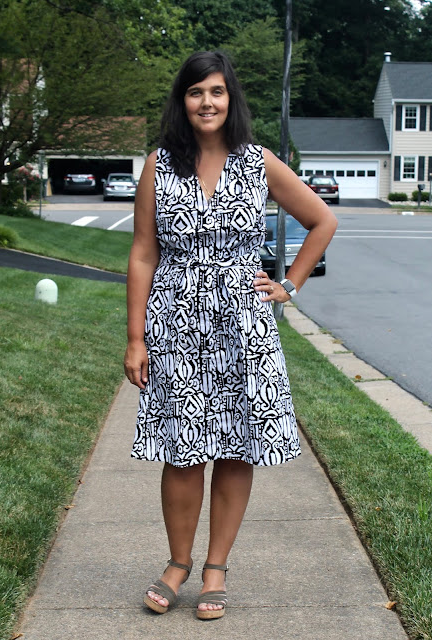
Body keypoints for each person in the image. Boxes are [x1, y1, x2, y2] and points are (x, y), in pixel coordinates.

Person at [124, 50, 337, 620]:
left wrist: (289, 286)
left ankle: (216, 565)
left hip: (243, 324)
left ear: (230, 98)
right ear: (183, 101)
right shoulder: (157, 165)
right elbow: (143, 253)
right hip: (175, 324)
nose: (207, 102)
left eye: (216, 91)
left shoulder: (258, 162)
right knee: (182, 450)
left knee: (237, 446)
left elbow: (323, 221)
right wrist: (135, 336)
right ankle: (178, 563)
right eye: (196, 92)